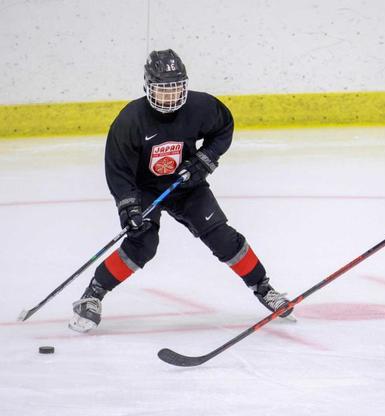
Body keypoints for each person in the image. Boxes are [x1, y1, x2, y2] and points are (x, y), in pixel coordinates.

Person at [69, 49, 293, 332]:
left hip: (186, 184)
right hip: (144, 190)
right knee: (143, 244)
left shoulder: (200, 107)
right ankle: (93, 295)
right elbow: (118, 169)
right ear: (148, 87)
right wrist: (128, 206)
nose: (170, 97)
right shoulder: (130, 120)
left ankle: (264, 288)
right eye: (163, 90)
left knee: (223, 237)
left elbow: (223, 126)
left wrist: (205, 159)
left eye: (175, 89)